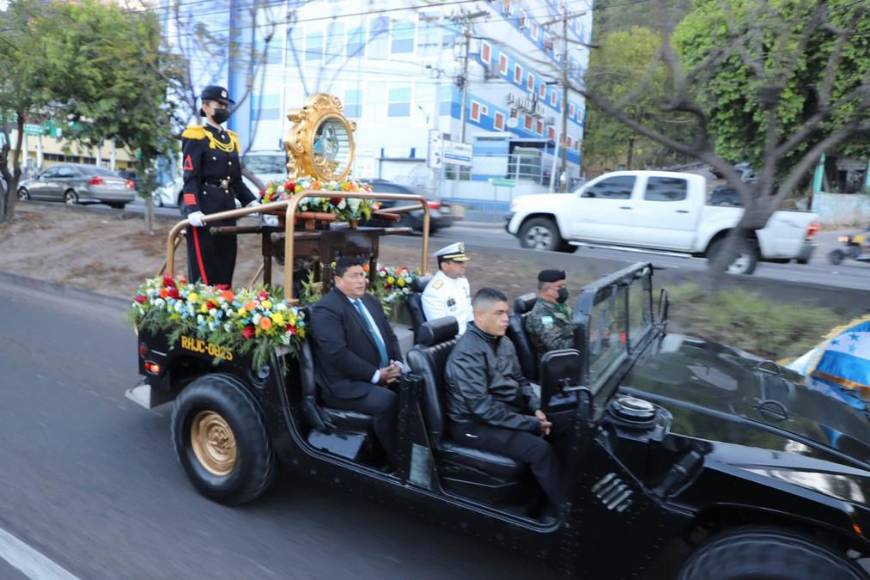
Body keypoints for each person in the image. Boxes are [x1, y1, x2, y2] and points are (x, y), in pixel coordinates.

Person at [445, 288, 570, 511]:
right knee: (539, 450)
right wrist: (531, 424)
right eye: (499, 313)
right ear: (479, 315)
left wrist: (535, 409)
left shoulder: (502, 341)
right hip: (471, 425)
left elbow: (521, 380)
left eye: (507, 313)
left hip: (503, 412)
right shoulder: (467, 353)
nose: (506, 319)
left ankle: (550, 491)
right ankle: (565, 511)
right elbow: (482, 408)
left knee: (566, 424)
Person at [310, 256, 404, 468]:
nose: (361, 281)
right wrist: (376, 375)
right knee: (387, 402)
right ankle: (396, 462)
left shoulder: (370, 301)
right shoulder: (327, 309)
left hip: (382, 373)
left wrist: (397, 363)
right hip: (344, 386)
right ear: (337, 280)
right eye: (354, 276)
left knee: (415, 388)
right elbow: (337, 354)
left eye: (362, 275)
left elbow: (390, 336)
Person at [180, 85, 262, 286]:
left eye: (226, 105)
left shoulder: (230, 139)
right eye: (220, 105)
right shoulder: (196, 136)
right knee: (205, 269)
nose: (224, 109)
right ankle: (204, 309)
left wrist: (252, 202)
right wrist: (193, 209)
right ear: (206, 107)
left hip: (227, 210)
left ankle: (223, 303)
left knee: (226, 263)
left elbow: (236, 180)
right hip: (206, 211)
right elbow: (190, 178)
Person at [421, 242, 473, 334]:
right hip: (456, 340)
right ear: (444, 266)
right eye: (458, 262)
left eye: (463, 261)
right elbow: (442, 329)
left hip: (470, 333)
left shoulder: (462, 281)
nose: (463, 265)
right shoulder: (433, 292)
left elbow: (468, 312)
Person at [525, 269, 575, 363]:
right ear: (547, 290)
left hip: (571, 357)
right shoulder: (543, 315)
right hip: (556, 366)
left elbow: (572, 327)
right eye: (559, 286)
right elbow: (558, 346)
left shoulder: (560, 306)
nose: (564, 289)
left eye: (564, 286)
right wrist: (584, 338)